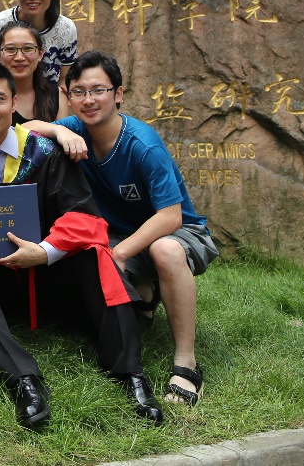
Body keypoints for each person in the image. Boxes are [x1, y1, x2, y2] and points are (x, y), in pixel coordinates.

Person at [0, 62, 164, 430]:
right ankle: (22, 379)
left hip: (49, 276)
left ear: (14, 104)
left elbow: (84, 217)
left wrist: (44, 251)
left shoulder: (45, 152)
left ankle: (130, 371)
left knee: (95, 255)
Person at [54, 51, 219, 407]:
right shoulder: (75, 129)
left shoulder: (143, 145)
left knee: (164, 250)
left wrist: (123, 252)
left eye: (98, 90)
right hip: (121, 233)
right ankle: (146, 295)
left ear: (118, 94)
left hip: (180, 233)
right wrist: (56, 129)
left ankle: (187, 363)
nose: (88, 100)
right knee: (86, 251)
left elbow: (171, 217)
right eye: (79, 92)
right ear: (69, 96)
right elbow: (28, 129)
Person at [0, 20, 67, 123]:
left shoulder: (57, 95)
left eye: (28, 48)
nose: (19, 58)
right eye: (10, 49)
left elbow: (63, 132)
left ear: (40, 54)